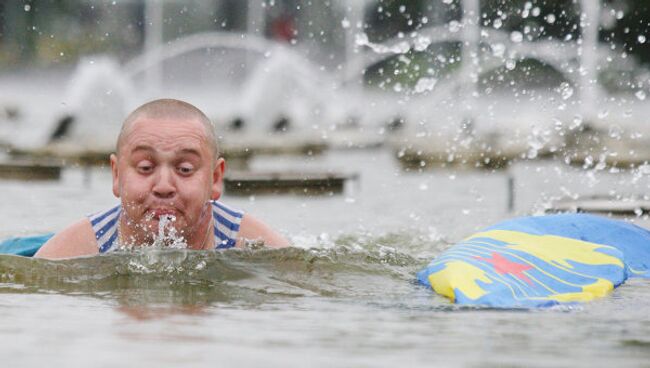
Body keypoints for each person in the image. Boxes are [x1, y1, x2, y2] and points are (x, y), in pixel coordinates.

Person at [35, 99, 290, 259]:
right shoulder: (72, 251)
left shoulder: (254, 244)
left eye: (185, 169)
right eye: (145, 167)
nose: (164, 186)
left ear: (215, 179)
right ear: (117, 175)